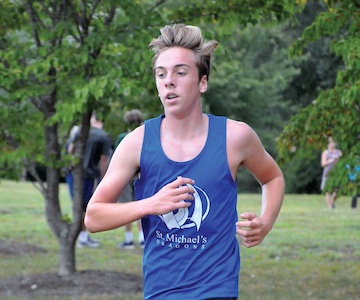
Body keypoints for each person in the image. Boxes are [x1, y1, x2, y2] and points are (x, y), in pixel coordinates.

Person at [85, 24, 285, 299]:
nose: (169, 81)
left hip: (218, 290)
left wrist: (266, 220)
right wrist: (151, 205)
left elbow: (272, 177)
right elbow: (93, 216)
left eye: (180, 72)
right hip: (161, 291)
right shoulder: (137, 142)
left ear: (202, 82)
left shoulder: (234, 137)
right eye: (161, 74)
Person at [67, 112, 112, 248]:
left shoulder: (80, 131)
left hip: (73, 173)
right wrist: (104, 179)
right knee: (86, 206)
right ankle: (82, 237)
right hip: (89, 175)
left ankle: (79, 237)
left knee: (77, 205)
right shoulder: (104, 136)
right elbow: (104, 160)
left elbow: (70, 150)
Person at [116, 109, 145, 249]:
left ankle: (128, 239)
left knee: (125, 206)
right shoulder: (147, 135)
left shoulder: (122, 137)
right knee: (140, 206)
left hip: (126, 177)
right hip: (142, 176)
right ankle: (142, 237)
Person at [320, 137, 342, 209]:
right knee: (327, 190)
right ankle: (330, 206)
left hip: (337, 172)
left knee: (338, 190)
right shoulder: (325, 153)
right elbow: (323, 164)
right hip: (328, 172)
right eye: (330, 143)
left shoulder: (339, 152)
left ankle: (332, 202)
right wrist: (331, 160)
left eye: (333, 143)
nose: (332, 144)